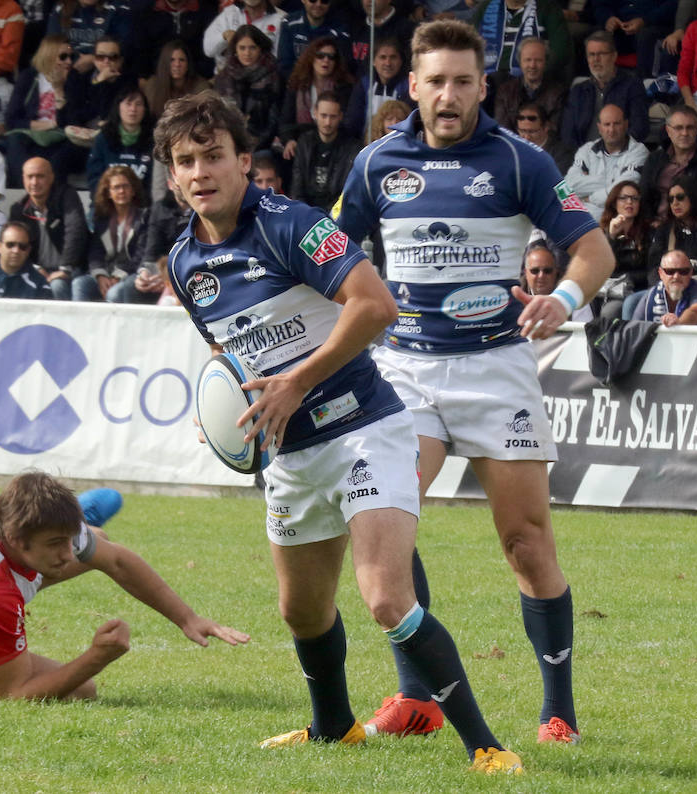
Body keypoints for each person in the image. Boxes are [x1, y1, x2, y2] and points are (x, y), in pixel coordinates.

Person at [155, 89, 524, 775]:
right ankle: (334, 729)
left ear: (244, 160)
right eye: (185, 161)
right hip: (292, 454)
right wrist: (223, 413)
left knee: (386, 597)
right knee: (301, 611)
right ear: (173, 177)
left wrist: (297, 381)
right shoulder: (184, 264)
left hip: (366, 428)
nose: (201, 170)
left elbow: (376, 305)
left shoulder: (289, 225)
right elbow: (227, 355)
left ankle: (486, 746)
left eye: (213, 155)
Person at [338, 19, 615, 748]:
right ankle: (416, 697)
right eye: (436, 81)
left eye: (463, 81)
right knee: (388, 523)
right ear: (413, 87)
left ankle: (559, 710)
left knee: (525, 543)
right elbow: (330, 259)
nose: (449, 95)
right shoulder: (373, 166)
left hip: (497, 368)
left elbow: (593, 248)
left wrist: (565, 299)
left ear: (482, 86)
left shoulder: (520, 161)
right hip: (405, 372)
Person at [0, 472, 248, 698]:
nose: (66, 553)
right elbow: (15, 696)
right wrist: (96, 657)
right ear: (19, 539)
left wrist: (188, 619)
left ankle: (86, 527)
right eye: (55, 542)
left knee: (95, 550)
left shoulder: (1, 520)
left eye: (67, 539)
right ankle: (88, 527)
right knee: (83, 691)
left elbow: (117, 560)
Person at [4, 34, 87, 188]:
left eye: (71, 57)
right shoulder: (28, 77)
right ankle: (24, 193)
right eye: (63, 57)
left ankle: (53, 200)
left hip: (61, 138)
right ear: (48, 55)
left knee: (59, 157)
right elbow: (11, 120)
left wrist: (59, 90)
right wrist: (47, 125)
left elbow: (73, 123)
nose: (69, 62)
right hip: (34, 135)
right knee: (15, 141)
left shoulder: (75, 80)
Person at [10, 156, 89, 301]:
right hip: (37, 270)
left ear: (51, 177)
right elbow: (17, 246)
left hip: (71, 268)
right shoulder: (18, 209)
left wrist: (65, 268)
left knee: (57, 285)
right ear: (23, 179)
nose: (34, 182)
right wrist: (35, 268)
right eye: (30, 177)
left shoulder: (67, 196)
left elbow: (76, 231)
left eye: (40, 176)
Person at [73, 164, 151, 302]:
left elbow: (141, 253)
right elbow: (95, 252)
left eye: (126, 186)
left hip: (131, 273)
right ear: (108, 192)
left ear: (133, 190)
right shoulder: (101, 219)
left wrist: (118, 276)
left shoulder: (144, 217)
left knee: (114, 293)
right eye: (116, 187)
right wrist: (100, 275)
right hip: (106, 273)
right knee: (79, 284)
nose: (121, 191)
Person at [560, 30, 649, 150]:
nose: (596, 59)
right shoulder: (578, 91)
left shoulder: (632, 86)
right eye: (591, 54)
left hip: (621, 156)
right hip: (584, 159)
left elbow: (639, 129)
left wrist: (614, 154)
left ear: (614, 56)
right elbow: (567, 135)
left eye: (601, 53)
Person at [563, 104, 648, 220]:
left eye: (616, 124)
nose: (611, 130)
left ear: (626, 125)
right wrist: (611, 182)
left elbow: (623, 190)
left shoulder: (638, 151)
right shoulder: (587, 150)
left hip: (617, 218)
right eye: (607, 124)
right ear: (599, 128)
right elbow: (569, 185)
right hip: (583, 215)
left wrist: (590, 198)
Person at [278, 36, 354, 162]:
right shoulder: (297, 84)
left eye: (331, 57)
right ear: (311, 58)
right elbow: (285, 121)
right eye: (320, 56)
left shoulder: (343, 87)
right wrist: (289, 140)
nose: (326, 60)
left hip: (333, 142)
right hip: (300, 141)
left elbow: (346, 123)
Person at [213, 25, 283, 153]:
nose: (247, 53)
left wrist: (258, 142)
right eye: (242, 48)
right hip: (230, 143)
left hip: (265, 144)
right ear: (235, 49)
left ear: (261, 49)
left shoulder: (273, 75)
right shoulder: (223, 78)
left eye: (252, 48)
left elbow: (275, 117)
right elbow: (219, 117)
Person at [290, 91, 360, 212]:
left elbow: (346, 192)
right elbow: (297, 187)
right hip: (305, 213)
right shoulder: (304, 142)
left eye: (332, 116)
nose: (327, 122)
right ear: (315, 113)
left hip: (335, 214)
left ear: (340, 117)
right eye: (323, 116)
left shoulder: (351, 147)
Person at [472, 0, 572, 83]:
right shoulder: (485, 7)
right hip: (488, 80)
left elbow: (561, 52)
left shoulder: (548, 8)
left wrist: (534, 74)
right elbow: (469, 46)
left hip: (530, 81)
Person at [638, 104, 697, 225]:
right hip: (652, 225)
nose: (684, 133)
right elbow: (644, 194)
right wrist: (648, 223)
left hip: (690, 229)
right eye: (678, 128)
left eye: (690, 127)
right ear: (668, 131)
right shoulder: (655, 159)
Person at [86, 84, 155, 198]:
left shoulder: (153, 140)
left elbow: (154, 183)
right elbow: (94, 178)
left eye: (138, 104)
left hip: (142, 204)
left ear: (145, 109)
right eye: (128, 104)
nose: (133, 109)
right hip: (108, 201)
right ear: (118, 107)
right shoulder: (103, 138)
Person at [492, 37, 567, 132]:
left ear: (546, 62)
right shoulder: (505, 91)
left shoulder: (559, 93)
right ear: (520, 62)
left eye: (538, 60)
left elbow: (554, 130)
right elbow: (503, 130)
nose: (532, 65)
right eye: (527, 60)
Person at [343, 38, 409, 140]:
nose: (388, 63)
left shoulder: (407, 87)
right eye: (383, 57)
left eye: (393, 57)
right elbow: (353, 121)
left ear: (400, 61)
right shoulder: (364, 85)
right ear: (373, 61)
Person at [203, 0, 285, 74]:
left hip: (263, 81)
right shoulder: (229, 13)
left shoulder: (281, 19)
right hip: (226, 80)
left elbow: (280, 59)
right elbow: (208, 50)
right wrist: (224, 36)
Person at [646, 174, 697, 280]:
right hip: (669, 287)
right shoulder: (665, 230)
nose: (675, 203)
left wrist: (684, 271)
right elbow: (653, 267)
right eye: (671, 199)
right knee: (633, 298)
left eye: (680, 197)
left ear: (693, 197)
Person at [276, 0, 350, 80]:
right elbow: (284, 64)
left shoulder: (340, 30)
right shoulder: (289, 23)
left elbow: (342, 68)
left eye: (324, 1)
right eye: (313, 0)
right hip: (295, 84)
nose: (318, 4)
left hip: (328, 86)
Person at [600, 179, 651, 292]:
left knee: (610, 311)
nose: (629, 202)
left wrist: (627, 279)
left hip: (638, 289)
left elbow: (651, 269)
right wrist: (611, 237)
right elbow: (602, 269)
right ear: (614, 203)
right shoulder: (603, 232)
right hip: (609, 290)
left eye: (635, 198)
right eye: (623, 198)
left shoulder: (648, 231)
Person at [143, 40, 210, 119]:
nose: (177, 64)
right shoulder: (153, 85)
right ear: (164, 63)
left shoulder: (201, 86)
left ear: (188, 64)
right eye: (172, 60)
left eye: (182, 60)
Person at [632, 249, 697, 324]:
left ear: (690, 273)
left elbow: (696, 311)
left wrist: (678, 323)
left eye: (683, 271)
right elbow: (636, 326)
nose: (676, 276)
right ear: (660, 273)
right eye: (670, 271)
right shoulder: (650, 296)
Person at [515, 102, 573, 174]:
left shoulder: (562, 155)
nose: (526, 137)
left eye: (532, 131)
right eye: (522, 131)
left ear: (546, 127)